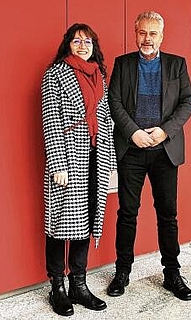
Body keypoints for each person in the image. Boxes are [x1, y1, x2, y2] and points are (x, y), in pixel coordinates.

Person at [106, 10, 191, 301]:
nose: (147, 38)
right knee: (127, 213)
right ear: (135, 34)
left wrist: (164, 131)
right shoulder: (122, 64)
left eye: (152, 33)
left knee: (167, 215)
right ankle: (122, 272)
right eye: (142, 32)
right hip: (131, 150)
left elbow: (187, 103)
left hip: (164, 152)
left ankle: (172, 273)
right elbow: (114, 102)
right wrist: (133, 132)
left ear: (161, 36)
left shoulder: (177, 65)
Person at [41, 23, 116, 316]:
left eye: (87, 41)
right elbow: (50, 121)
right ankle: (57, 287)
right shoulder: (55, 73)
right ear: (68, 45)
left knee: (87, 220)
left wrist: (109, 161)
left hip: (96, 155)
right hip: (68, 155)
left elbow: (106, 120)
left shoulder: (99, 76)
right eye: (77, 40)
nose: (83, 45)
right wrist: (58, 163)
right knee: (60, 224)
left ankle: (79, 285)